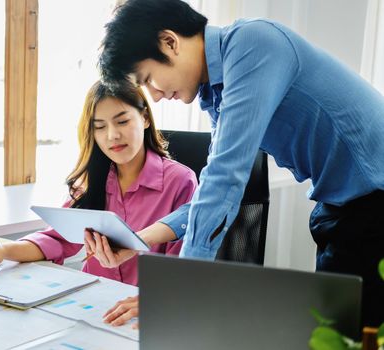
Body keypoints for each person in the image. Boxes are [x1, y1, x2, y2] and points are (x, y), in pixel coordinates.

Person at [91, 0, 384, 327]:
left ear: (170, 42)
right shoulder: (218, 91)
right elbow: (212, 194)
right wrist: (137, 241)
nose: (154, 95)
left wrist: (177, 288)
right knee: (334, 331)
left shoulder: (253, 45)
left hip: (374, 201)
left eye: (147, 79)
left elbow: (224, 181)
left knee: (346, 333)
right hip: (343, 205)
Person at [0, 80, 197, 291]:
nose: (112, 135)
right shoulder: (92, 180)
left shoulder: (179, 182)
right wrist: (3, 251)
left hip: (146, 307)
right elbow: (56, 239)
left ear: (145, 118)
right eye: (100, 127)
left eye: (123, 121)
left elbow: (181, 265)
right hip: (92, 301)